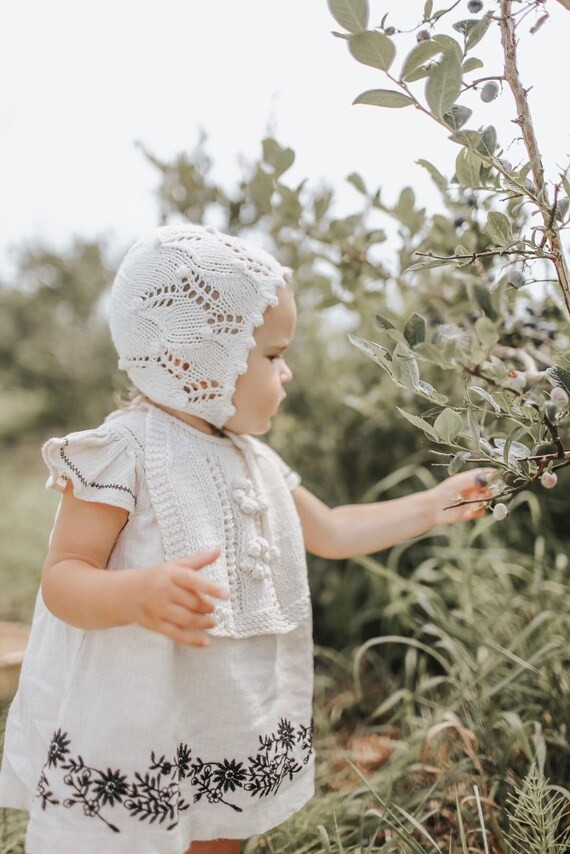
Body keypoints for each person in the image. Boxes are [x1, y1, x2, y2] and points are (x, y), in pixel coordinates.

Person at [0, 223, 492, 853]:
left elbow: (335, 530)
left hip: (223, 705)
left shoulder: (253, 460)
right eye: (273, 355)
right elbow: (65, 575)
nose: (286, 375)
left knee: (220, 831)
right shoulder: (123, 452)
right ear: (195, 358)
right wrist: (135, 594)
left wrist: (434, 504)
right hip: (138, 709)